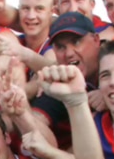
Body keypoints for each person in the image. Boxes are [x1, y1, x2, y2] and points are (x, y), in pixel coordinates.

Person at [30, 11, 103, 150]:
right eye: (61, 47)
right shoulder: (60, 81)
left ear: (96, 40)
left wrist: (110, 95)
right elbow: (37, 119)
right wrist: (19, 112)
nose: (69, 53)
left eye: (76, 42)